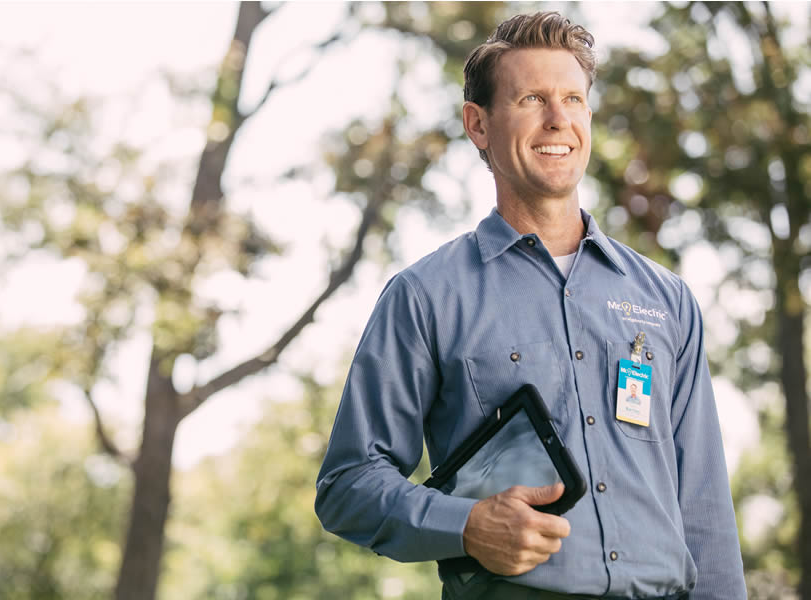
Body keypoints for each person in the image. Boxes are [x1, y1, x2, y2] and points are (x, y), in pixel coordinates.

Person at [315, 11, 746, 600]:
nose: (558, 119)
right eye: (531, 98)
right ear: (479, 124)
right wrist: (465, 525)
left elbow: (704, 509)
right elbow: (348, 484)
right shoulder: (425, 297)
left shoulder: (665, 299)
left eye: (573, 97)